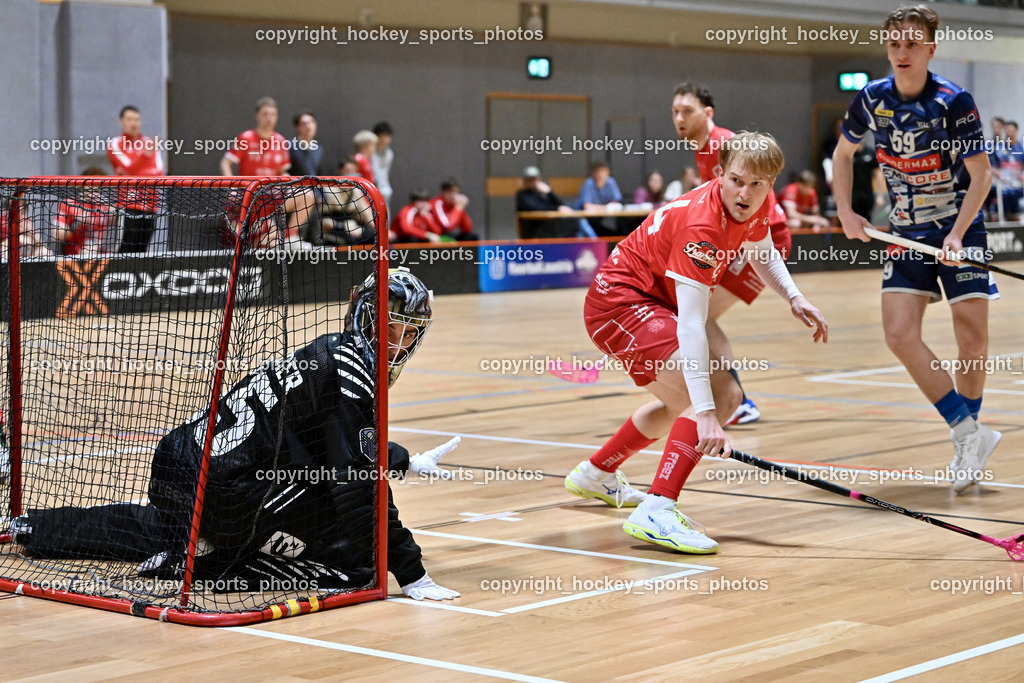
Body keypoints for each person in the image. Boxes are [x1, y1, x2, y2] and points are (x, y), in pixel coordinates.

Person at [12, 269, 461, 601]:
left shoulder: (325, 350)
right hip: (226, 493)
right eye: (389, 329)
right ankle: (215, 565)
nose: (396, 345)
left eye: (407, 334)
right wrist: (410, 570)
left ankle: (31, 527)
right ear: (364, 317)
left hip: (180, 463)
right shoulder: (351, 374)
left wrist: (401, 459)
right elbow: (358, 489)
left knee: (157, 529)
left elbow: (327, 440)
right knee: (357, 558)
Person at [564, 132, 828, 553]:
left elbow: (762, 251)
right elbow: (691, 324)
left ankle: (597, 473)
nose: (746, 192)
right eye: (738, 181)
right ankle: (658, 508)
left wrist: (793, 296)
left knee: (678, 406)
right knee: (720, 395)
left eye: (758, 184)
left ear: (770, 184)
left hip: (646, 303)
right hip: (621, 305)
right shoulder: (702, 227)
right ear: (720, 173)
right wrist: (707, 413)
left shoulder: (753, 204)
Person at [832, 4, 1001, 493]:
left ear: (930, 47)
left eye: (912, 43)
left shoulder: (954, 100)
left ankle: (967, 443)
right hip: (904, 233)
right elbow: (842, 155)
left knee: (972, 340)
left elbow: (982, 175)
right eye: (894, 43)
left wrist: (955, 234)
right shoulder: (870, 98)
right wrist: (846, 211)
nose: (902, 52)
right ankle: (968, 433)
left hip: (959, 228)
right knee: (899, 334)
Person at [669, 82, 793, 426]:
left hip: (761, 240)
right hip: (738, 241)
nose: (679, 118)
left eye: (687, 111)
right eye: (675, 111)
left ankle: (736, 400)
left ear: (707, 113)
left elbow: (757, 199)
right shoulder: (703, 149)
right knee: (698, 315)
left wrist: (739, 249)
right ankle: (731, 398)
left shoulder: (724, 145)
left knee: (700, 315)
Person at [220, 97, 315, 247]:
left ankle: (288, 237)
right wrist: (231, 186)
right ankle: (260, 237)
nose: (269, 118)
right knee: (243, 237)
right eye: (265, 114)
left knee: (307, 195)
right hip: (248, 196)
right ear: (257, 116)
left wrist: (289, 184)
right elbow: (226, 162)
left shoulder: (280, 141)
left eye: (273, 114)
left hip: (272, 196)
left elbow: (283, 172)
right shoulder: (246, 138)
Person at [107, 105, 165, 253]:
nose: (134, 123)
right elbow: (129, 168)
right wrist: (144, 157)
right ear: (122, 122)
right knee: (125, 250)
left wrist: (136, 171)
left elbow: (159, 172)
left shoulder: (148, 143)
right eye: (130, 119)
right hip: (128, 205)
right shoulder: (115, 143)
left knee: (142, 252)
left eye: (137, 119)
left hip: (151, 205)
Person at [515, 166, 594, 238]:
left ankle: (594, 245)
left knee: (578, 225)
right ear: (525, 181)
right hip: (535, 230)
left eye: (535, 179)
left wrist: (550, 192)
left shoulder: (543, 194)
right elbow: (536, 207)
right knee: (576, 222)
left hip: (551, 228)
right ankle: (595, 244)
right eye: (530, 179)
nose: (533, 182)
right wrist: (557, 208)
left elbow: (561, 205)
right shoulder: (522, 195)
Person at [53, 167, 114, 256]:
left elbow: (118, 222)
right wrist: (78, 223)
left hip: (100, 253)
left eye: (98, 189)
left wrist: (110, 207)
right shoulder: (69, 204)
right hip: (73, 255)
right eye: (91, 186)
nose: (94, 192)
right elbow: (56, 234)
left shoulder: (103, 207)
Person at [577, 161, 623, 235]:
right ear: (593, 174)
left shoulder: (611, 182)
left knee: (621, 225)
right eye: (598, 172)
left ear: (608, 173)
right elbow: (587, 206)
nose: (601, 175)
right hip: (587, 218)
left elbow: (616, 202)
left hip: (604, 218)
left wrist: (605, 208)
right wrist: (606, 207)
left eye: (603, 172)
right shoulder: (588, 183)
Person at [288, 110, 323, 176]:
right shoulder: (289, 146)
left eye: (311, 122)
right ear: (297, 127)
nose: (309, 127)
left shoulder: (318, 149)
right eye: (304, 124)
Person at [371, 122, 395, 219]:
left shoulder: (389, 153)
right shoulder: (370, 152)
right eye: (383, 135)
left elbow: (385, 173)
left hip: (385, 191)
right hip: (371, 191)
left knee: (385, 221)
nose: (385, 139)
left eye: (388, 136)